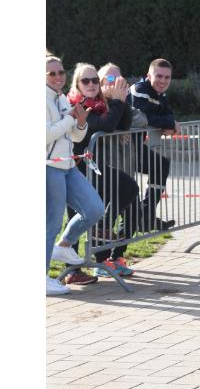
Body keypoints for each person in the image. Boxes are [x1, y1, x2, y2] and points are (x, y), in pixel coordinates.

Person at [65, 62, 140, 283]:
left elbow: (123, 123)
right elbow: (105, 125)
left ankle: (102, 228)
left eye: (94, 80)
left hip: (90, 166)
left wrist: (121, 100)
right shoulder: (78, 105)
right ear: (77, 84)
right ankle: (72, 270)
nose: (91, 84)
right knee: (73, 214)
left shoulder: (99, 104)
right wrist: (116, 102)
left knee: (128, 187)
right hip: (73, 166)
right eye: (85, 81)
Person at [46, 53, 105, 296]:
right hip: (48, 166)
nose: (58, 76)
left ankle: (64, 244)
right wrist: (70, 118)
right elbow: (46, 135)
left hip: (68, 165)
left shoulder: (60, 98)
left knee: (95, 208)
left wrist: (80, 123)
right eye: (52, 73)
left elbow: (75, 136)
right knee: (50, 223)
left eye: (61, 72)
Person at [129, 58, 178, 230]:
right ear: (149, 76)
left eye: (167, 77)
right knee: (125, 187)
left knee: (161, 165)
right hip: (120, 148)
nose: (163, 81)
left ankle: (147, 216)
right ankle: (129, 225)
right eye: (159, 76)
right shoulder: (140, 90)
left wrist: (169, 123)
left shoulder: (160, 94)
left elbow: (169, 115)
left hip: (135, 146)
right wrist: (169, 123)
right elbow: (144, 118)